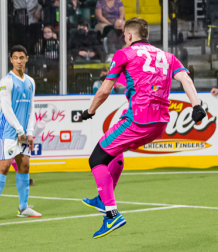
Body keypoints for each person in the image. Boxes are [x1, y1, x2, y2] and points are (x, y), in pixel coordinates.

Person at [80, 17, 206, 239]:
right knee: (114, 151)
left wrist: (90, 111)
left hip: (138, 120)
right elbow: (186, 80)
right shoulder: (168, 57)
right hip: (159, 124)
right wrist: (196, 106)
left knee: (97, 159)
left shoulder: (124, 54)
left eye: (124, 35)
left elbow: (104, 91)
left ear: (128, 35)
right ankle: (102, 199)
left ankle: (111, 214)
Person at [0, 45, 42, 222]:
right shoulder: (6, 81)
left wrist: (29, 132)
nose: (18, 61)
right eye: (15, 58)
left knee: (24, 166)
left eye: (21, 57)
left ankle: (23, 207)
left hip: (23, 133)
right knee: (4, 166)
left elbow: (32, 108)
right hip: (8, 131)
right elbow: (6, 108)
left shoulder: (31, 82)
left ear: (27, 59)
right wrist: (19, 130)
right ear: (11, 60)